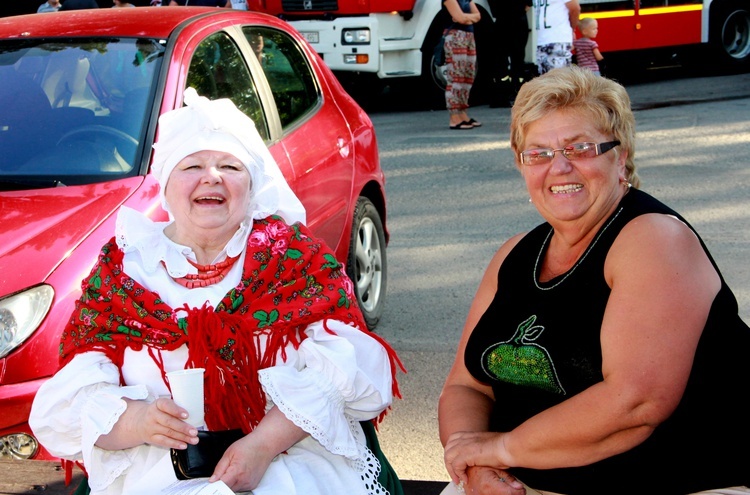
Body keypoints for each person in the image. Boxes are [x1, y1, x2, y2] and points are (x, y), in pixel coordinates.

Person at [29, 88, 404, 495]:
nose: (212, 176)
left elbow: (348, 365)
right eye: (192, 165)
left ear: (253, 185)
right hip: (155, 468)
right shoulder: (125, 272)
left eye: (230, 165)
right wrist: (137, 420)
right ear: (166, 184)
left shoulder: (292, 258)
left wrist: (262, 445)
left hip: (289, 458)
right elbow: (75, 392)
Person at [438, 65, 750, 495]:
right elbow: (465, 386)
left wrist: (502, 449)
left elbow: (636, 404)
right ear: (521, 165)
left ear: (620, 157)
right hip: (512, 477)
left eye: (580, 147)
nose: (560, 167)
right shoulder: (513, 254)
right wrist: (472, 467)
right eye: (539, 153)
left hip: (677, 481)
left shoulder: (653, 238)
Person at [442, 0, 482, 130]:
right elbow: (459, 18)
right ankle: (454, 116)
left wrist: (466, 18)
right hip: (455, 36)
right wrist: (467, 18)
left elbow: (478, 15)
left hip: (468, 36)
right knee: (456, 77)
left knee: (467, 77)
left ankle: (463, 113)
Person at [486, 0, 532, 108]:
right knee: (518, 60)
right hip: (519, 21)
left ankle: (501, 95)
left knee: (501, 61)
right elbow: (528, 5)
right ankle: (516, 94)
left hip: (501, 22)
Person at [532, 0, 580, 75]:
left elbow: (575, 8)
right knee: (544, 79)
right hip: (541, 41)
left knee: (559, 79)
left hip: (558, 39)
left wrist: (571, 29)